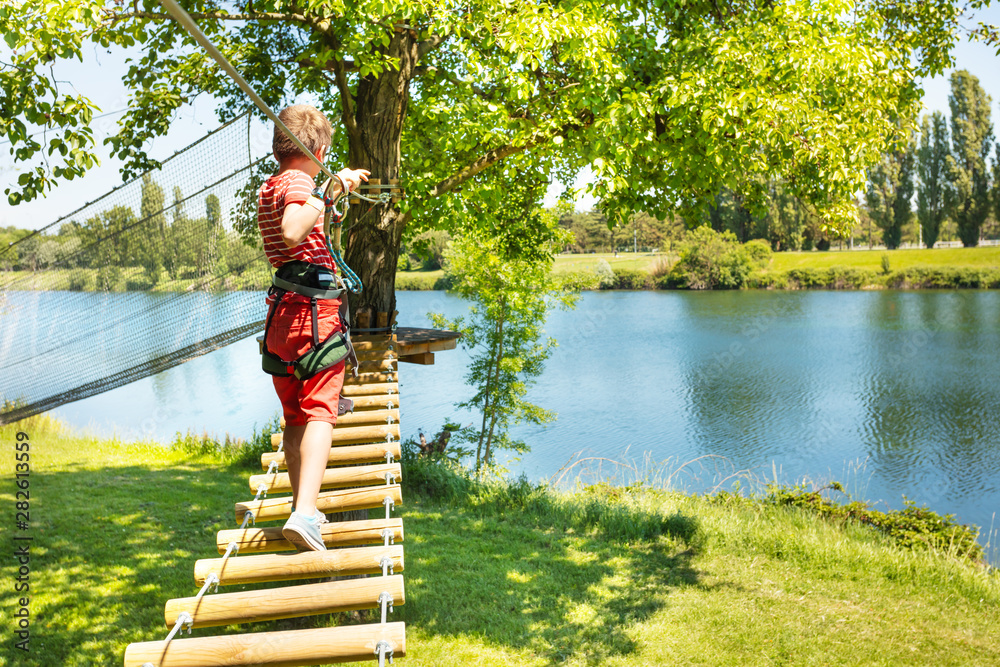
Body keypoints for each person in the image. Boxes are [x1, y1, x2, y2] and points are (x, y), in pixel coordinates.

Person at [257, 104, 369, 551]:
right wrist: (332, 186)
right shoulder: (302, 181)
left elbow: (299, 227)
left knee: (294, 416)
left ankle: (302, 504)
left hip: (282, 317)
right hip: (312, 315)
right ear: (318, 148)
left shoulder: (273, 184)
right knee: (321, 408)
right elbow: (291, 229)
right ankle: (305, 513)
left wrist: (329, 200)